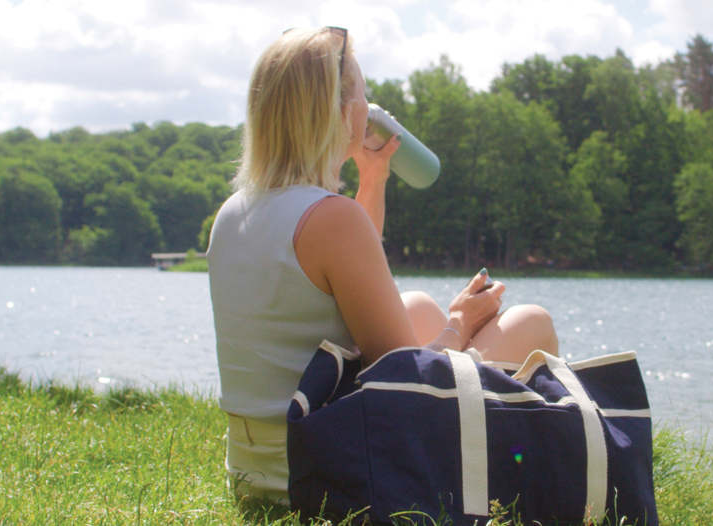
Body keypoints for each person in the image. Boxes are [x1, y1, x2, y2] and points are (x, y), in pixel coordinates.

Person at [206, 26, 559, 507]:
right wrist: (461, 321)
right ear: (340, 113)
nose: (368, 107)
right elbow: (407, 379)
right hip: (333, 474)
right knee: (530, 323)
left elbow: (336, 274)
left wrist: (373, 178)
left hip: (258, 471)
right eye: (363, 94)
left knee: (417, 307)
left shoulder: (234, 213)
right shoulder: (332, 219)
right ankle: (516, 468)